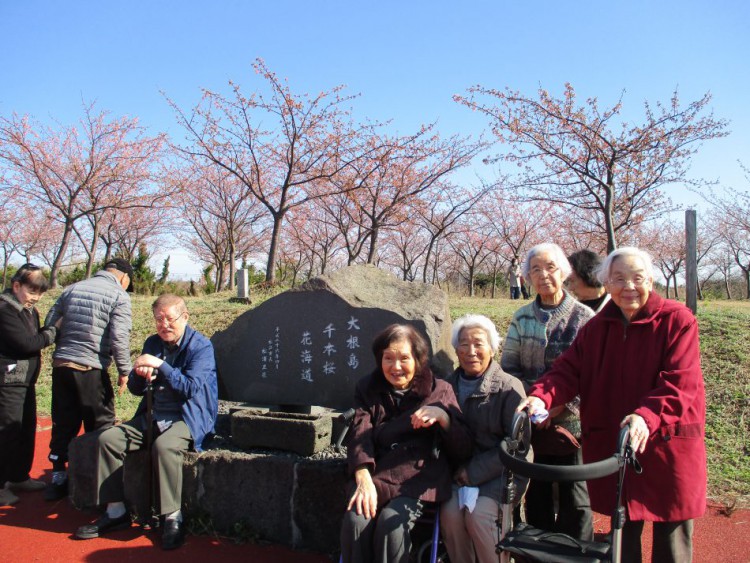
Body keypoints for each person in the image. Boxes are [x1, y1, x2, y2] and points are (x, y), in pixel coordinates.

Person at [518, 247, 706, 563]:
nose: (628, 286)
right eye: (619, 278)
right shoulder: (596, 328)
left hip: (665, 445)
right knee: (622, 534)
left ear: (651, 280)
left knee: (671, 540)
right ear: (607, 282)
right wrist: (541, 395)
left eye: (637, 278)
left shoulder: (677, 321)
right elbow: (568, 371)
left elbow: (680, 382)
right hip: (619, 446)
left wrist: (646, 416)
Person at [74, 294, 218, 550]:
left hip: (188, 416)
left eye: (170, 319)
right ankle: (116, 511)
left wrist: (161, 365)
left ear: (184, 317)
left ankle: (173, 516)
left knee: (165, 447)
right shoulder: (152, 342)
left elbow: (191, 388)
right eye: (159, 320)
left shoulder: (201, 346)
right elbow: (136, 390)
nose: (164, 325)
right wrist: (140, 376)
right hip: (152, 413)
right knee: (108, 440)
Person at [340, 324, 472, 563]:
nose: (395, 367)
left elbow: (463, 448)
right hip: (378, 472)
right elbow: (360, 433)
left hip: (418, 477)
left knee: (391, 525)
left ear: (418, 360)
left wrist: (444, 418)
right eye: (388, 358)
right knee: (356, 519)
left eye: (404, 358)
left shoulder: (440, 390)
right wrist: (362, 475)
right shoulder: (368, 388)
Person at [501, 242, 594, 542]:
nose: (543, 275)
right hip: (531, 424)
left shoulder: (583, 317)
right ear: (527, 277)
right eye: (535, 270)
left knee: (575, 500)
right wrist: (533, 407)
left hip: (574, 428)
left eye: (550, 268)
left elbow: (590, 374)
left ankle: (578, 555)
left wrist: (556, 408)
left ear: (565, 272)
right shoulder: (522, 317)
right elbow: (509, 370)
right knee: (536, 496)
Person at [440, 314, 530, 563]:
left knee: (479, 515)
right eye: (464, 344)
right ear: (456, 350)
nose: (471, 351)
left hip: (501, 473)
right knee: (449, 512)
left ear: (492, 347)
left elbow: (518, 447)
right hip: (459, 473)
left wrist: (474, 471)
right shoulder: (446, 386)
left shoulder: (509, 387)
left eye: (479, 343)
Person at [43, 257, 134, 501]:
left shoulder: (70, 289)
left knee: (63, 421)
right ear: (123, 277)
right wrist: (125, 370)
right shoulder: (119, 295)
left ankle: (58, 476)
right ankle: (98, 479)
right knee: (101, 424)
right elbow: (119, 338)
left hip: (62, 365)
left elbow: (50, 324)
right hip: (91, 368)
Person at [0, 264, 57, 506]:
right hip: (8, 380)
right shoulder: (4, 309)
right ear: (16, 286)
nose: (36, 297)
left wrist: (45, 334)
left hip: (25, 379)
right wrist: (52, 334)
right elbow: (26, 343)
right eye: (32, 291)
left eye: (40, 293)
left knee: (25, 429)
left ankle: (19, 476)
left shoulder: (28, 309)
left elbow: (35, 338)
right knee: (7, 432)